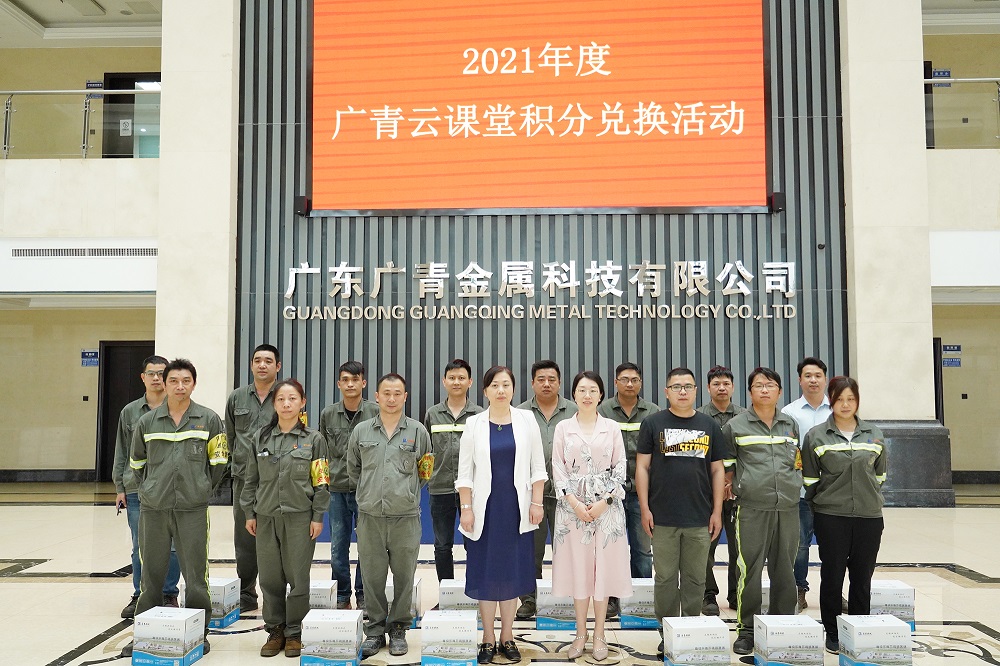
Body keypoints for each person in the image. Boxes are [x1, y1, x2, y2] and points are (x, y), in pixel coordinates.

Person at [124, 358, 228, 657]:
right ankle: (145, 633)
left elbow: (219, 462)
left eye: (186, 381)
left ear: (193, 384)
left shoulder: (209, 419)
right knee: (151, 576)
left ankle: (198, 633)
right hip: (154, 509)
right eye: (174, 381)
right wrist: (151, 488)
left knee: (196, 577)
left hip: (192, 509)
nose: (179, 386)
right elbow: (137, 463)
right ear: (165, 384)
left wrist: (201, 488)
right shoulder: (147, 422)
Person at [457, 366, 546, 665]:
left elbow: (537, 467)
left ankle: (507, 635)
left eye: (506, 384)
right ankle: (487, 637)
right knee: (486, 573)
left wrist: (537, 503)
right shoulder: (474, 424)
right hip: (485, 511)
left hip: (517, 510)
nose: (500, 390)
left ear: (513, 389)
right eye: (494, 385)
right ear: (485, 391)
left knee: (511, 573)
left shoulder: (527, 420)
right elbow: (464, 473)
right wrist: (466, 509)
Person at [636, 367, 726, 658]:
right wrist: (645, 508)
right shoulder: (653, 423)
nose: (683, 391)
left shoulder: (709, 425)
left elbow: (717, 470)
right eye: (676, 387)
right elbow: (642, 467)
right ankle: (667, 631)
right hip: (662, 517)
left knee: (695, 578)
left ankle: (688, 628)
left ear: (696, 390)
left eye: (688, 386)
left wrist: (717, 511)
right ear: (667, 392)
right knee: (664, 579)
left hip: (699, 517)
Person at [242, 379, 330, 658]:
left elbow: (321, 482)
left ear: (302, 402)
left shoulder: (314, 439)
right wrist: (249, 512)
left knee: (298, 578)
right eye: (281, 399)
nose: (286, 404)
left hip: (299, 517)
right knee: (270, 577)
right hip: (266, 516)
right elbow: (251, 479)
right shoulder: (260, 438)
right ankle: (275, 630)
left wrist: (317, 515)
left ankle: (294, 632)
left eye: (292, 399)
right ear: (274, 403)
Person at [347, 373, 432, 658]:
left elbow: (425, 471)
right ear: (377, 396)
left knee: (404, 576)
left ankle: (398, 629)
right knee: (372, 576)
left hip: (405, 517)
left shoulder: (418, 431)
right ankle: (374, 631)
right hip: (370, 516)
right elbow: (353, 469)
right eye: (386, 393)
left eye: (397, 393)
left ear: (405, 397)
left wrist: (404, 493)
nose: (392, 398)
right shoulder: (362, 431)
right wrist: (370, 493)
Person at [801, 377, 887, 655]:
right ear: (831, 401)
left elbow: (880, 476)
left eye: (851, 399)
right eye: (840, 399)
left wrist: (867, 496)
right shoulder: (816, 436)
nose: (846, 404)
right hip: (831, 516)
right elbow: (810, 479)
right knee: (833, 574)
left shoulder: (874, 434)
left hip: (869, 516)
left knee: (862, 576)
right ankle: (833, 632)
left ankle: (858, 629)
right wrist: (824, 503)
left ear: (857, 401)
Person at [552, 371, 633, 662]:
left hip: (607, 510)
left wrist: (605, 501)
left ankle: (599, 633)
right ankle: (580, 633)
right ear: (574, 394)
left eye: (593, 390)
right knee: (579, 569)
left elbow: (620, 468)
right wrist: (574, 503)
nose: (587, 395)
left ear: (601, 395)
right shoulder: (563, 428)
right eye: (582, 390)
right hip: (571, 511)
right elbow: (558, 468)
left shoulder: (611, 428)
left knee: (603, 571)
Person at [723, 367, 800, 656]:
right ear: (750, 392)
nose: (764, 390)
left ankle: (782, 624)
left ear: (779, 391)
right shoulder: (736, 426)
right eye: (758, 385)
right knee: (749, 570)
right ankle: (747, 630)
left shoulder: (790, 425)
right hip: (751, 508)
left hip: (787, 507)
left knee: (785, 569)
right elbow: (727, 468)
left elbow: (797, 462)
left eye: (770, 385)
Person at [111, 354, 181, 618]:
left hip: (172, 488)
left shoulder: (178, 409)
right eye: (151, 373)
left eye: (161, 373)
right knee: (140, 545)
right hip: (136, 489)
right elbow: (121, 451)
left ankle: (168, 593)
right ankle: (140, 594)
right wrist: (120, 487)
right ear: (143, 377)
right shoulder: (129, 412)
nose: (156, 378)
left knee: (172, 545)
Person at [516, 360, 577, 620]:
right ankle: (529, 599)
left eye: (552, 379)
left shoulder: (574, 411)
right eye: (541, 379)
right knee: (531, 550)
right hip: (532, 496)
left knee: (568, 550)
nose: (546, 384)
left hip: (569, 496)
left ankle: (568, 598)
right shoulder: (520, 413)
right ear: (532, 383)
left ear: (559, 383)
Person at [596, 362, 658, 620]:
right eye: (624, 379)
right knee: (610, 548)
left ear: (640, 383)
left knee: (642, 550)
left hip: (643, 494)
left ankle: (640, 600)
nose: (629, 384)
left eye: (634, 379)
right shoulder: (602, 411)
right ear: (616, 382)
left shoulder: (653, 412)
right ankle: (611, 599)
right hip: (609, 494)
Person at [226, 343, 281, 613]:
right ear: (251, 365)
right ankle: (246, 592)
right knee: (245, 538)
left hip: (276, 479)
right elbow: (230, 436)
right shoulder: (237, 398)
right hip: (244, 478)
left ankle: (276, 593)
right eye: (257, 360)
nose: (262, 365)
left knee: (275, 538)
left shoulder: (285, 395)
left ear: (277, 366)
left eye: (268, 361)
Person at [319, 361, 379, 610]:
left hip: (367, 490)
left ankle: (363, 594)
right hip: (337, 489)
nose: (350, 384)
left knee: (367, 546)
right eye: (345, 380)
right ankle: (342, 595)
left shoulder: (376, 412)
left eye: (355, 380)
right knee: (338, 547)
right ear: (339, 384)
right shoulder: (328, 414)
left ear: (363, 383)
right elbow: (322, 453)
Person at [423, 359, 482, 583]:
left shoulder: (479, 415)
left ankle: (473, 590)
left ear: (470, 382)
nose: (456, 382)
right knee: (442, 545)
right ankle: (446, 591)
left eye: (461, 378)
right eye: (452, 378)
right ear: (444, 381)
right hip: (440, 489)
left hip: (473, 490)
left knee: (473, 542)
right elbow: (427, 453)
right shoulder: (433, 414)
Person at [781, 357, 832, 612]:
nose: (813, 380)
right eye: (808, 376)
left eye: (817, 375)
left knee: (833, 547)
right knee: (800, 545)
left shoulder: (836, 410)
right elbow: (787, 451)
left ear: (825, 379)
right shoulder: (789, 413)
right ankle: (798, 590)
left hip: (832, 493)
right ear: (800, 380)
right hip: (800, 492)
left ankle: (832, 593)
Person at [696, 365, 747, 615]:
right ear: (708, 388)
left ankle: (737, 594)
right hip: (707, 493)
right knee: (706, 546)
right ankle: (708, 594)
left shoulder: (745, 416)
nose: (722, 388)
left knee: (739, 547)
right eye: (716, 384)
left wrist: (731, 482)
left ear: (733, 387)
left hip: (739, 493)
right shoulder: (698, 417)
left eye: (726, 383)